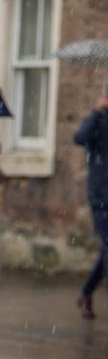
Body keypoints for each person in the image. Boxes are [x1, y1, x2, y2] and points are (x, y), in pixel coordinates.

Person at [75, 84, 108, 319]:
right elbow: (80, 137)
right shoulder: (98, 122)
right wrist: (97, 112)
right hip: (102, 197)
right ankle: (86, 294)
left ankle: (86, 292)